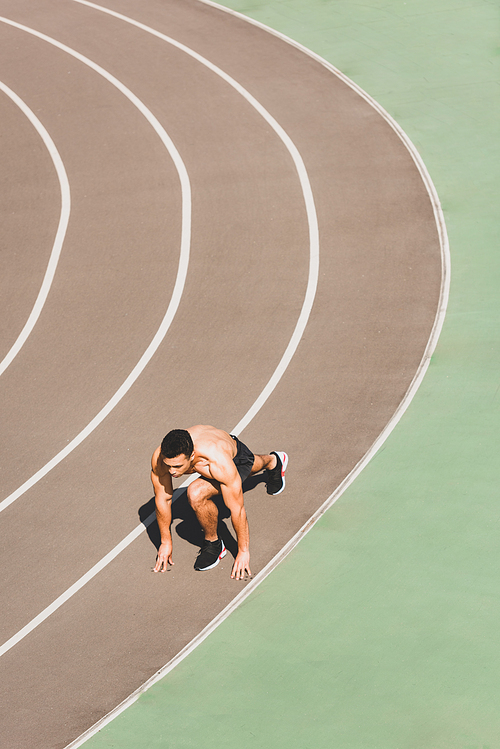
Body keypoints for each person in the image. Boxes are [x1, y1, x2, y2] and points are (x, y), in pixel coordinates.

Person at [151, 425, 288, 580]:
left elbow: (237, 509)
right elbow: (163, 498)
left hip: (232, 456)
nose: (172, 472)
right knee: (207, 484)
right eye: (168, 465)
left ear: (191, 456)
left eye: (177, 466)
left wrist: (243, 551)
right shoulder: (160, 459)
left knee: (197, 492)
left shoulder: (218, 461)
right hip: (213, 449)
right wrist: (165, 542)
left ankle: (273, 461)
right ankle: (214, 542)